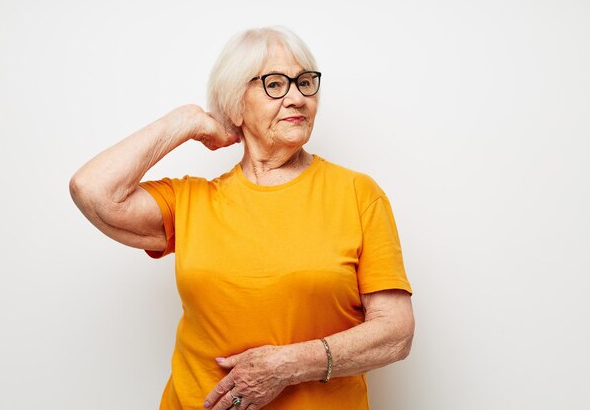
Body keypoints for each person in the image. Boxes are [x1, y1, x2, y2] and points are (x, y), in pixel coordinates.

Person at [70, 26, 414, 410]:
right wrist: (186, 121)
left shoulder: (356, 193)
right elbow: (92, 189)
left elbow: (395, 333)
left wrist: (289, 365)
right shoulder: (192, 201)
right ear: (236, 103)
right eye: (274, 84)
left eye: (305, 82)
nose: (297, 98)